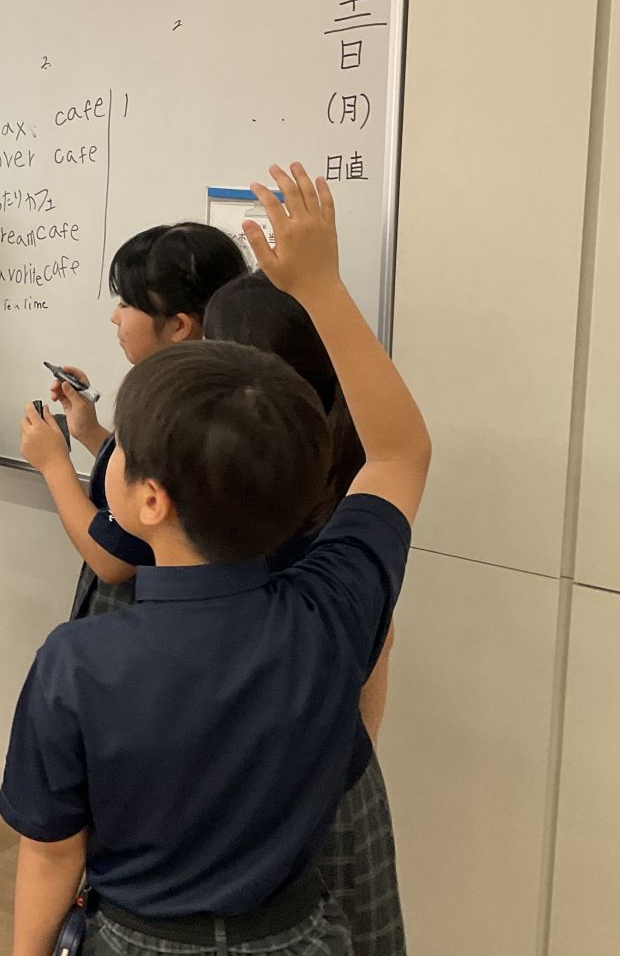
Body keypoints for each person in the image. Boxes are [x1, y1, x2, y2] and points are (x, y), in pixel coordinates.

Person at [0, 164, 432, 956]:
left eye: (124, 453)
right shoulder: (331, 613)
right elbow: (399, 451)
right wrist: (322, 288)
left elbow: (52, 855)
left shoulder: (77, 661)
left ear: (152, 499)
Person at [204, 271, 402, 956]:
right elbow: (378, 642)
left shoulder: (221, 503)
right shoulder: (349, 506)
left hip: (236, 787)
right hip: (327, 775)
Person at [21, 222, 245, 618]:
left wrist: (54, 464)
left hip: (145, 613)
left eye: (126, 303)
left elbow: (113, 559)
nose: (114, 317)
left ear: (178, 326)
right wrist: (90, 432)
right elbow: (149, 477)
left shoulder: (177, 409)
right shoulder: (210, 391)